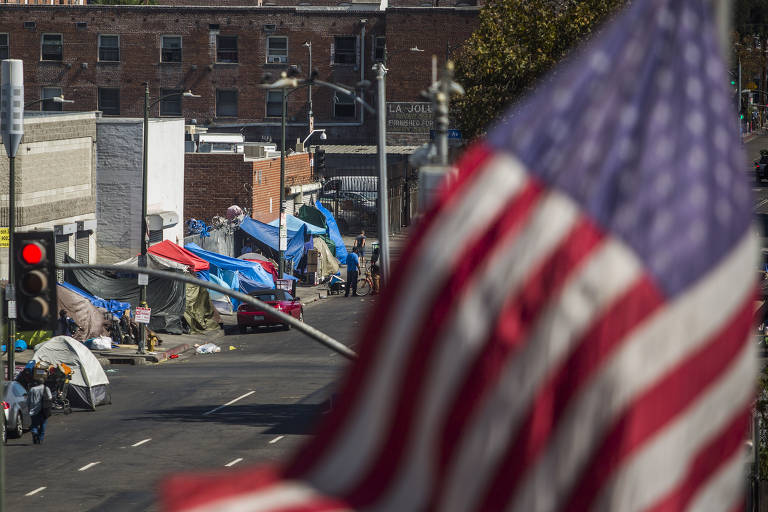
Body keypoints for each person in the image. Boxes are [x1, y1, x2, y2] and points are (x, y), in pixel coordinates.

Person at [28, 377, 52, 444]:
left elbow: (28, 400)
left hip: (33, 409)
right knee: (43, 423)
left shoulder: (32, 389)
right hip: (43, 409)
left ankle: (35, 433)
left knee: (34, 424)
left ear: (36, 383)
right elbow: (50, 397)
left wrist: (28, 408)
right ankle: (40, 438)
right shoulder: (46, 388)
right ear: (43, 382)